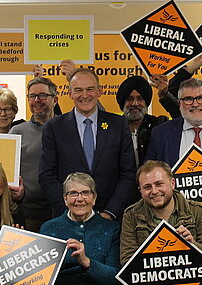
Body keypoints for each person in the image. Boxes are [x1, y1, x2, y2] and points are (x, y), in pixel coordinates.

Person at [121, 160, 202, 285]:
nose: (154, 191)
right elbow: (126, 260)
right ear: (140, 191)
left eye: (159, 184)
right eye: (147, 187)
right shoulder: (131, 215)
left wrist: (192, 245)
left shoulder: (197, 210)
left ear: (172, 183)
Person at [22, 172, 122, 285]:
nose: (79, 198)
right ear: (65, 199)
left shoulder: (111, 228)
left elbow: (115, 278)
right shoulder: (49, 228)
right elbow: (40, 275)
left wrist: (87, 262)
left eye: (85, 193)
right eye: (73, 193)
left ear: (94, 197)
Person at [39, 68, 136, 219]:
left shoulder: (118, 124)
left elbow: (128, 173)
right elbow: (47, 175)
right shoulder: (54, 127)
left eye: (90, 89)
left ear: (99, 91)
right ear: (70, 93)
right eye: (78, 90)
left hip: (109, 218)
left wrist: (111, 213)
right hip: (67, 219)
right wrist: (71, 211)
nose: (85, 95)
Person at [10, 77, 58, 232]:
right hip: (28, 213)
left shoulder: (67, 128)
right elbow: (7, 172)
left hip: (63, 211)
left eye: (43, 95)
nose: (37, 100)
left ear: (55, 99)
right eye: (32, 96)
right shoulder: (17, 132)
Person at [115, 75, 167, 166]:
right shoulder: (113, 128)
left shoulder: (159, 125)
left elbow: (183, 118)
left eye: (140, 99)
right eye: (129, 99)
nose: (135, 103)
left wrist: (165, 96)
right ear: (122, 102)